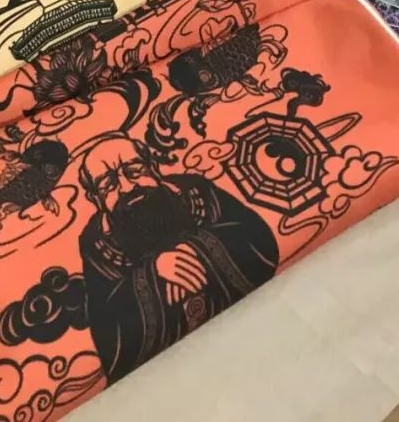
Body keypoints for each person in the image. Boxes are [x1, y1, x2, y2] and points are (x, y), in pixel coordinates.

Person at [78, 135, 279, 382]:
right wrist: (153, 275)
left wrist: (198, 250)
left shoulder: (196, 192)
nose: (127, 187)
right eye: (108, 185)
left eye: (134, 170)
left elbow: (259, 238)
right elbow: (107, 325)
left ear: (152, 165)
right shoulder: (97, 243)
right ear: (95, 199)